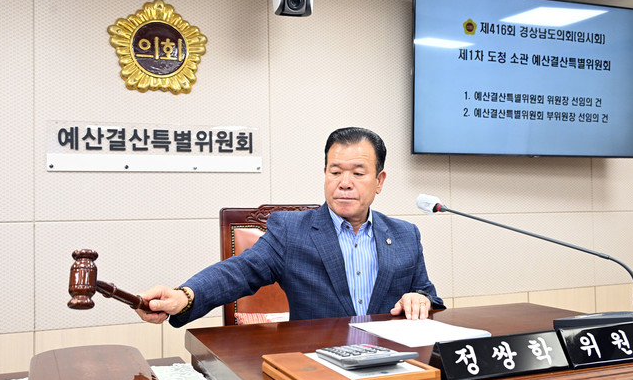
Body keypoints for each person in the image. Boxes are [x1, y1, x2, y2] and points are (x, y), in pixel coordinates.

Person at [136, 127, 444, 327]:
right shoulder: (291, 231)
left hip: (392, 363)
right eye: (335, 171)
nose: (344, 183)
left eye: (358, 173)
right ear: (325, 174)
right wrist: (185, 296)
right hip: (317, 364)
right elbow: (239, 271)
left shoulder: (404, 235)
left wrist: (420, 299)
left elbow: (427, 294)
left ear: (379, 181)